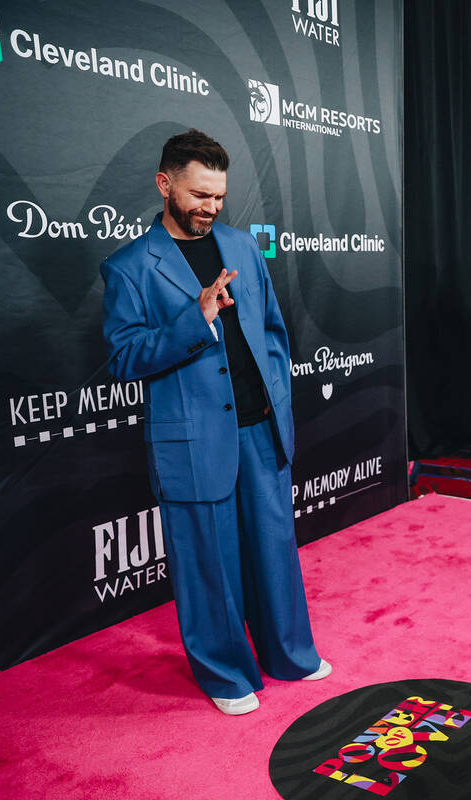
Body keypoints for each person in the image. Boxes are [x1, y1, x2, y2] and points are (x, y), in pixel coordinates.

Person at [100, 130, 328, 716]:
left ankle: (290, 654)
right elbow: (124, 358)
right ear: (165, 184)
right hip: (195, 439)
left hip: (260, 429)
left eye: (219, 197)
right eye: (200, 194)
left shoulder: (242, 246)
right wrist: (194, 321)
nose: (211, 207)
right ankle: (226, 675)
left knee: (274, 548)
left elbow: (273, 329)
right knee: (209, 562)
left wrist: (279, 396)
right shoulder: (130, 267)